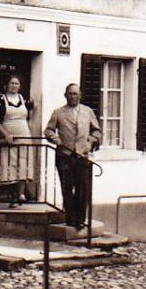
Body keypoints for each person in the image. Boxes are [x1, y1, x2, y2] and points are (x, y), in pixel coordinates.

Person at [44, 83, 101, 230]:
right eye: (69, 93)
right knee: (67, 188)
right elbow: (48, 130)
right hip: (65, 155)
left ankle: (80, 219)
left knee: (82, 188)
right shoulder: (58, 112)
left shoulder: (87, 112)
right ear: (65, 95)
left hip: (82, 155)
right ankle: (71, 219)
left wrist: (91, 141)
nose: (72, 96)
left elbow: (97, 131)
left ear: (80, 95)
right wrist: (55, 138)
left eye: (75, 94)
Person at [0, 75, 35, 206]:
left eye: (17, 84)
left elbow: (28, 117)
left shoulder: (24, 99)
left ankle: (21, 194)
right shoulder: (0, 100)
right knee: (10, 164)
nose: (14, 86)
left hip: (24, 135)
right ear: (6, 85)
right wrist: (6, 135)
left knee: (23, 163)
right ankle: (11, 197)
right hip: (9, 137)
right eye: (12, 83)